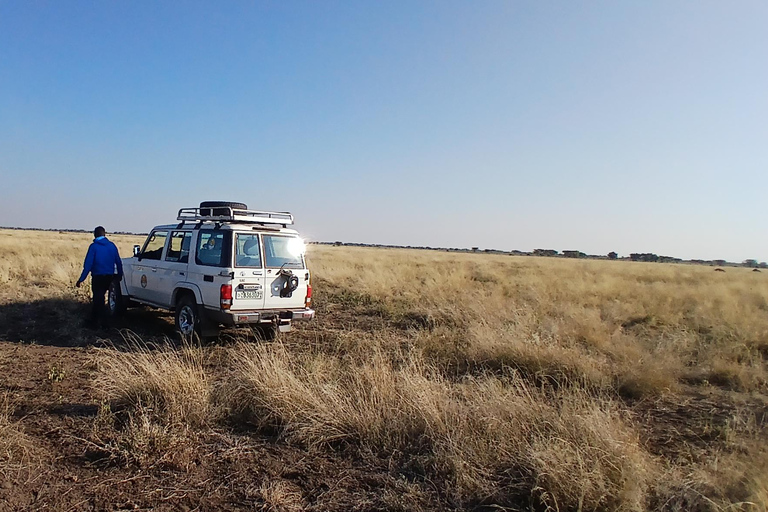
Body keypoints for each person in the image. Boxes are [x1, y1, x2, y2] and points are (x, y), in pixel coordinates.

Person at [76, 226, 124, 327]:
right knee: (100, 299)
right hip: (109, 277)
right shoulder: (112, 246)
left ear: (95, 234)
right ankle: (94, 321)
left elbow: (88, 265)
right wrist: (119, 275)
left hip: (97, 277)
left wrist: (81, 279)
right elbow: (118, 262)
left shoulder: (93, 247)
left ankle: (102, 324)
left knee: (98, 300)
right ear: (104, 234)